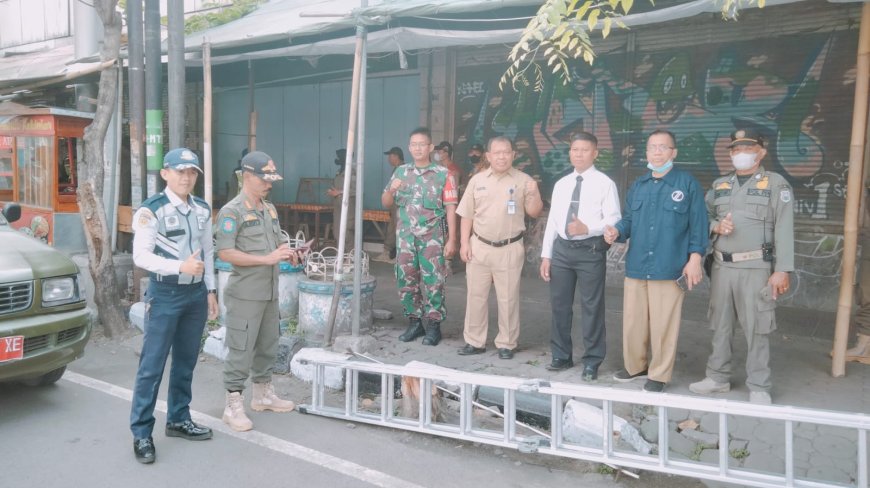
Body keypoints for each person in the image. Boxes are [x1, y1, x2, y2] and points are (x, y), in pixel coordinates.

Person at [689, 129, 794, 404]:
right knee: (720, 324)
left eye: (747, 148)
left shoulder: (776, 184)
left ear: (761, 152)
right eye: (736, 150)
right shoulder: (721, 185)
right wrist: (715, 226)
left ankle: (759, 385)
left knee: (757, 327)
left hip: (756, 267)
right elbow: (704, 216)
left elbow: (784, 227)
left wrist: (782, 269)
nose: (741, 153)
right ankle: (717, 377)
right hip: (723, 267)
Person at [130, 147, 219, 464]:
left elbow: (208, 251)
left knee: (186, 361)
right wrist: (179, 267)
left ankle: (179, 419)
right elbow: (140, 256)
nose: (186, 177)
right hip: (165, 294)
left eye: (192, 171)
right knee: (151, 366)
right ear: (165, 173)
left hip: (195, 295)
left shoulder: (202, 209)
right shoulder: (150, 210)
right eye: (180, 171)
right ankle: (141, 433)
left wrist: (210, 290)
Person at [604, 129, 708, 393]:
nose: (657, 152)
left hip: (670, 266)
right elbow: (629, 220)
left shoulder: (687, 184)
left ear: (674, 152)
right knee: (633, 321)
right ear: (647, 152)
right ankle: (635, 366)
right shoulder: (638, 186)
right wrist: (617, 230)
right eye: (653, 147)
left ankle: (659, 374)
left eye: (663, 147)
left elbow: (699, 225)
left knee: (664, 324)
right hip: (638, 265)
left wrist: (694, 259)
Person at [215, 150, 300, 431]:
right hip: (246, 294)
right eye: (264, 179)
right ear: (247, 177)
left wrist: (288, 254)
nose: (269, 184)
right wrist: (265, 259)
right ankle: (232, 404)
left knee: (267, 346)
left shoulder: (269, 208)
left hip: (269, 292)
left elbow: (272, 248)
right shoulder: (232, 211)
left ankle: (262, 395)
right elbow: (225, 253)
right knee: (241, 349)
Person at [539, 133, 621, 380]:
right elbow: (553, 222)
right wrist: (546, 256)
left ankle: (592, 360)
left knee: (592, 307)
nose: (579, 154)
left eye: (585, 150)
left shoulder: (605, 183)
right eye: (575, 149)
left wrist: (589, 229)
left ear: (595, 153)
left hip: (590, 250)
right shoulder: (562, 183)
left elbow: (614, 218)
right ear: (570, 152)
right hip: (562, 250)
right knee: (560, 305)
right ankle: (561, 355)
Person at [456, 136, 543, 360]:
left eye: (506, 152)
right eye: (497, 152)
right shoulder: (477, 180)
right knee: (476, 296)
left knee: (508, 298)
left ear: (514, 155)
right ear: (488, 156)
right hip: (479, 246)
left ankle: (507, 343)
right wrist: (464, 243)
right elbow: (466, 214)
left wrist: (534, 193)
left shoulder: (524, 180)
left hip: (509, 247)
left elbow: (534, 212)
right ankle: (474, 341)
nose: (502, 156)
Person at [382, 127, 458, 346]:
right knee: (406, 280)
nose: (417, 148)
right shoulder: (401, 173)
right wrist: (391, 191)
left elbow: (451, 208)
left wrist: (452, 240)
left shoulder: (444, 174)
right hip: (405, 239)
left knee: (434, 282)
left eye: (422, 144)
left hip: (432, 239)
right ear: (409, 147)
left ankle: (434, 326)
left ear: (430, 147)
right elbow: (386, 202)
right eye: (413, 144)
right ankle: (415, 323)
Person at [375, 146, 404, 263]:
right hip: (394, 204)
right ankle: (389, 254)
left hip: (399, 204)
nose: (388, 159)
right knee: (392, 229)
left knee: (399, 229)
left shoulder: (402, 169)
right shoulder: (397, 168)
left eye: (390, 156)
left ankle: (399, 256)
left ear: (396, 156)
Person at [326, 148, 356, 249]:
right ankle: (341, 257)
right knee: (337, 232)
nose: (337, 159)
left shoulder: (353, 172)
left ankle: (350, 259)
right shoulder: (339, 171)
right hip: (338, 207)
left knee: (347, 232)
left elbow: (356, 190)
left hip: (348, 207)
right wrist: (332, 191)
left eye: (339, 157)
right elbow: (335, 185)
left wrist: (339, 192)